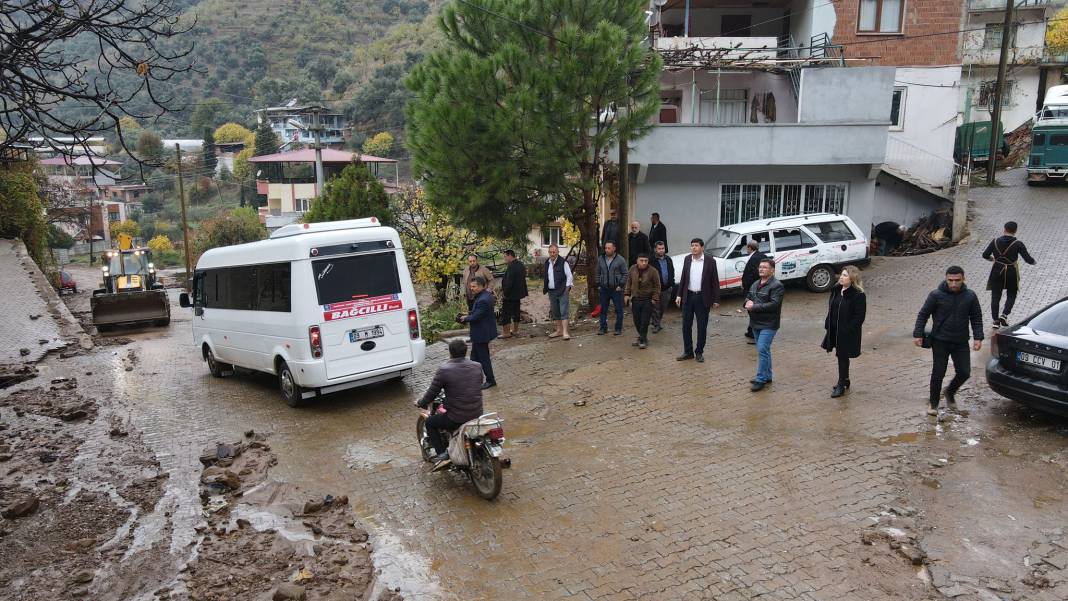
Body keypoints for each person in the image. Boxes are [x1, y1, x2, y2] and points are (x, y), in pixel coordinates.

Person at [912, 266, 984, 416]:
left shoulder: (970, 296)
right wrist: (918, 333)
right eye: (950, 280)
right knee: (938, 373)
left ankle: (950, 392)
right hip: (940, 341)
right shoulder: (936, 295)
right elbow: (923, 314)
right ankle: (934, 404)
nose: (953, 284)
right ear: (946, 279)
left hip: (961, 341)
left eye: (957, 280)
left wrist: (978, 337)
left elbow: (976, 317)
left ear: (963, 279)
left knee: (964, 372)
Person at [416, 339, 485, 469]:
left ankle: (443, 455)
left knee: (430, 422)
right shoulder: (477, 365)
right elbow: (478, 383)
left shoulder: (444, 370)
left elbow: (432, 393)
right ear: (465, 352)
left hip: (456, 417)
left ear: (450, 353)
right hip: (477, 413)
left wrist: (421, 402)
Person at [821, 266, 867, 398]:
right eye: (841, 275)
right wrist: (828, 322)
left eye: (845, 275)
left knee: (842, 356)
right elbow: (831, 308)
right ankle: (845, 379)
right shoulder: (836, 290)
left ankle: (841, 384)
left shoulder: (858, 295)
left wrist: (848, 329)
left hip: (847, 332)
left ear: (852, 279)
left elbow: (859, 317)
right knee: (841, 355)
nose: (841, 277)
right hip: (834, 329)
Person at [982, 221, 1036, 329]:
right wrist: (1034, 262)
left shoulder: (995, 241)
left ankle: (995, 321)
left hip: (997, 270)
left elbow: (985, 255)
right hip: (1011, 271)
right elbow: (1028, 259)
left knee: (995, 296)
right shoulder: (1018, 244)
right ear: (1015, 231)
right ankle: (1004, 314)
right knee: (1012, 294)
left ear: (1004, 229)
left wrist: (992, 259)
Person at [675, 238, 720, 363]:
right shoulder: (687, 259)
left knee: (701, 327)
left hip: (702, 298)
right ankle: (688, 352)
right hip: (688, 297)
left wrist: (716, 299)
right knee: (685, 326)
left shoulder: (710, 261)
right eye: (692, 245)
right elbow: (683, 277)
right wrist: (679, 295)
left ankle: (699, 352)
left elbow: (714, 281)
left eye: (696, 245)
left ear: (702, 247)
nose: (693, 248)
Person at [745, 259, 784, 391]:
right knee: (764, 350)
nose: (761, 269)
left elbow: (774, 304)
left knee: (762, 349)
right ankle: (767, 375)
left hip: (769, 323)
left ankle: (760, 379)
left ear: (772, 270)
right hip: (755, 322)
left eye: (765, 267)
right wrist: (747, 302)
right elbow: (749, 296)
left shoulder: (776, 285)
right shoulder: (755, 283)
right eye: (760, 267)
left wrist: (753, 306)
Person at [460, 276, 498, 389]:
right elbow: (478, 312)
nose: (472, 288)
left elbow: (477, 316)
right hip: (480, 333)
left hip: (481, 334)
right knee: (474, 358)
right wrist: (469, 313)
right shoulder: (484, 296)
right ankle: (473, 379)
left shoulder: (483, 299)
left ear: (482, 286)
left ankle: (490, 380)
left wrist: (465, 318)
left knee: (483, 358)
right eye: (470, 286)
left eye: (474, 286)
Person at [624, 254, 661, 349]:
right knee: (637, 320)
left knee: (645, 321)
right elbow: (629, 282)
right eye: (641, 260)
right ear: (637, 260)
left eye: (646, 261)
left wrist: (654, 298)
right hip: (636, 298)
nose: (644, 262)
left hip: (647, 299)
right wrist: (627, 294)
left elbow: (657, 286)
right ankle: (642, 337)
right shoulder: (632, 269)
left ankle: (642, 340)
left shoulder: (653, 271)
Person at [596, 241, 628, 335]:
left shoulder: (620, 259)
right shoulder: (601, 259)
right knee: (603, 310)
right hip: (604, 288)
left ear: (614, 248)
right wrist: (598, 284)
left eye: (609, 248)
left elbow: (625, 274)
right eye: (605, 248)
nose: (606, 250)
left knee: (618, 309)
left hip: (616, 289)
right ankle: (603, 328)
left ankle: (618, 328)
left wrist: (621, 285)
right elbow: (597, 272)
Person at [542, 243, 573, 340]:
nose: (552, 254)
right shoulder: (547, 262)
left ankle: (565, 332)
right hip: (551, 291)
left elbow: (569, 276)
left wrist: (567, 289)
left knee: (564, 311)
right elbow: (546, 276)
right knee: (556, 312)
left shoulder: (563, 262)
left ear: (558, 252)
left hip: (562, 290)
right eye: (550, 252)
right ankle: (559, 331)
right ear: (548, 252)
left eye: (554, 252)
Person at [740, 240, 767, 343]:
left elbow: (753, 274)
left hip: (753, 289)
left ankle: (756, 334)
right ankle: (750, 330)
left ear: (749, 248)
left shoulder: (754, 258)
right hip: (758, 288)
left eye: (747, 248)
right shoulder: (762, 255)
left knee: (752, 310)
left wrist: (745, 284)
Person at [499, 249, 527, 339]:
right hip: (518, 294)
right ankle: (515, 330)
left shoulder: (511, 266)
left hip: (510, 294)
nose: (504, 258)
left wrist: (505, 293)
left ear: (510, 255)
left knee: (506, 313)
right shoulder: (520, 265)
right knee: (516, 312)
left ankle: (506, 333)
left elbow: (509, 282)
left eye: (505, 256)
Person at [651, 241, 675, 333]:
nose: (661, 250)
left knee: (663, 307)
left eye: (662, 249)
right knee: (656, 308)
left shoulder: (668, 259)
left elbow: (672, 271)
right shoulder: (652, 260)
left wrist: (671, 284)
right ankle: (656, 325)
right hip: (656, 289)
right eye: (659, 249)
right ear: (655, 249)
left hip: (667, 288)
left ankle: (656, 322)